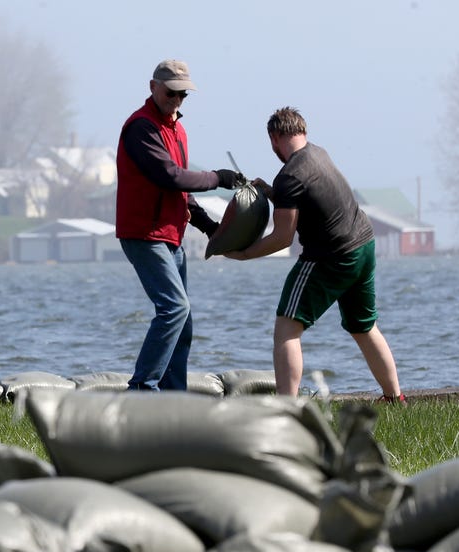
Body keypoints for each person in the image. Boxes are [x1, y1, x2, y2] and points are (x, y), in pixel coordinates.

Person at [224, 107, 404, 402]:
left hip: (330, 256)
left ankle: (287, 408)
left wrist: (243, 254)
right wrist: (271, 192)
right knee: (364, 326)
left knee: (286, 329)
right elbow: (309, 195)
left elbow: (282, 238)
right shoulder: (318, 153)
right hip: (364, 246)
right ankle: (395, 398)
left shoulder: (290, 174)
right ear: (303, 132)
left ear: (275, 138)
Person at [115, 59, 243, 391]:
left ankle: (174, 397)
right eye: (171, 93)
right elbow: (169, 176)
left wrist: (209, 226)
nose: (176, 101)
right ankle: (141, 392)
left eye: (183, 95)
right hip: (144, 235)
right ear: (153, 87)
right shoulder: (141, 128)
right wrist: (218, 178)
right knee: (174, 308)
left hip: (172, 235)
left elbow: (181, 190)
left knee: (182, 320)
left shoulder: (177, 129)